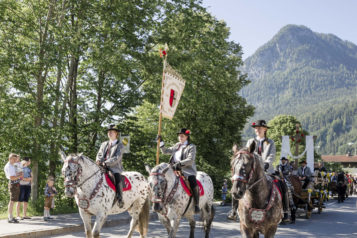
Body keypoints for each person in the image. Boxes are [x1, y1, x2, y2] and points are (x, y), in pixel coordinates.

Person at [159, 128, 200, 214]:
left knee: (193, 181)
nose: (180, 138)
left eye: (182, 136)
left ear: (186, 137)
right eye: (179, 136)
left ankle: (196, 204)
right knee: (161, 180)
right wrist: (161, 143)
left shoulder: (191, 146)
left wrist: (179, 164)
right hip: (173, 169)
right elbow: (165, 151)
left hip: (186, 170)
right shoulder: (177, 145)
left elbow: (190, 160)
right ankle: (162, 201)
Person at [96, 124, 125, 207]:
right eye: (109, 132)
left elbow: (116, 158)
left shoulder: (120, 145)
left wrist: (106, 163)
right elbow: (100, 154)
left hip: (114, 167)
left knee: (116, 176)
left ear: (116, 134)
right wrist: (98, 160)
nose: (110, 133)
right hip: (102, 166)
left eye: (112, 132)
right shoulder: (104, 144)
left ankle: (120, 198)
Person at [276, 157, 296, 223]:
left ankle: (290, 201)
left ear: (285, 160)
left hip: (286, 179)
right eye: (282, 160)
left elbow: (289, 172)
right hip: (279, 179)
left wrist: (282, 173)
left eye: (284, 160)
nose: (283, 161)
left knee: (288, 187)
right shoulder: (278, 166)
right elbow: (276, 171)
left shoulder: (289, 166)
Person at [4, 153, 22, 223]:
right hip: (13, 184)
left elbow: (15, 174)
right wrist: (19, 177)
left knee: (13, 201)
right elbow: (12, 177)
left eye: (16, 159)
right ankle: (10, 217)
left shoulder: (12, 165)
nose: (15, 160)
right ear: (10, 159)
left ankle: (11, 216)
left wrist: (18, 175)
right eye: (14, 159)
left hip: (16, 183)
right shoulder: (9, 166)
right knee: (12, 201)